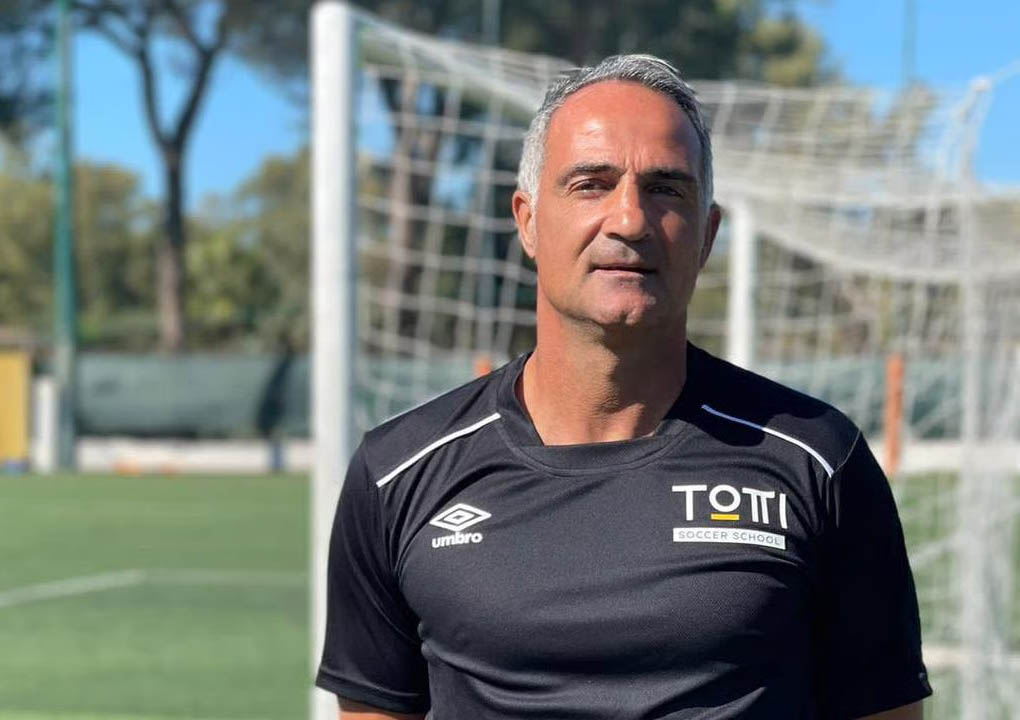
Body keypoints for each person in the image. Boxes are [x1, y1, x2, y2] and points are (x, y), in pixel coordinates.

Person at [315, 54, 932, 720]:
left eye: (666, 189)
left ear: (707, 234)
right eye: (592, 184)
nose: (630, 220)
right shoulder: (397, 474)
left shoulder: (819, 461)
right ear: (527, 219)